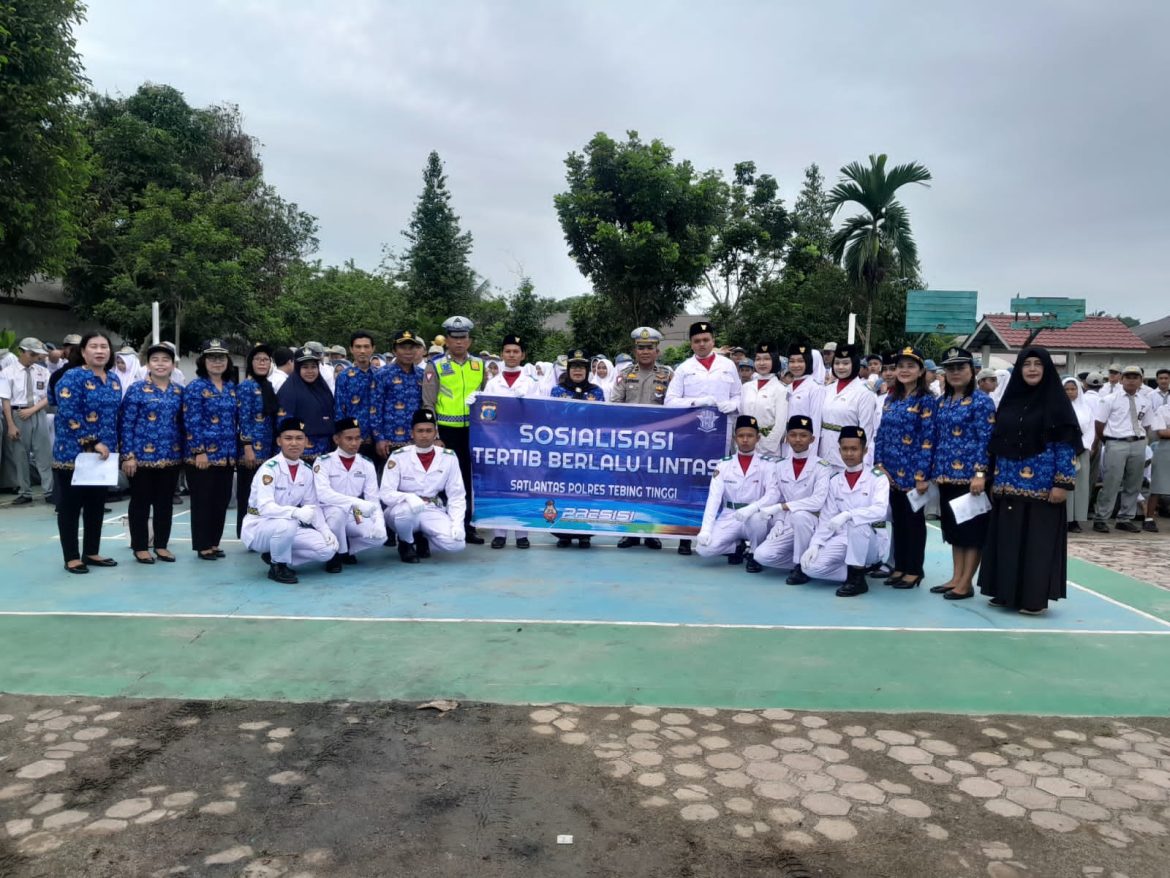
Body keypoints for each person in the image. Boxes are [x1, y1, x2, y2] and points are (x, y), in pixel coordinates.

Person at [980, 347, 1082, 614]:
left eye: (1038, 364)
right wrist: (992, 478)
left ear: (1047, 369)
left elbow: (1066, 446)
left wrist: (1062, 482)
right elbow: (998, 442)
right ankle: (1006, 593)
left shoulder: (1056, 403)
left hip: (1043, 488)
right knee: (1008, 541)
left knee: (1037, 544)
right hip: (1007, 483)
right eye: (1027, 364)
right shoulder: (1010, 401)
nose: (1033, 369)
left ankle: (1033, 599)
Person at [665, 321, 741, 555]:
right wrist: (697, 402)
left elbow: (739, 394)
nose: (701, 344)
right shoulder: (684, 368)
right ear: (691, 343)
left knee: (722, 485)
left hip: (722, 435)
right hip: (692, 438)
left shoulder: (728, 365)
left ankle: (728, 537)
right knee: (691, 484)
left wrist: (733, 404)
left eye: (706, 340)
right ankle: (686, 535)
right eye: (697, 341)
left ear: (713, 341)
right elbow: (670, 401)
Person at [929, 348, 996, 600]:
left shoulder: (981, 402)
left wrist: (980, 473)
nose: (955, 373)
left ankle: (966, 582)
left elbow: (986, 440)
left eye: (961, 368)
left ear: (972, 371)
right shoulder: (942, 402)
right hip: (946, 477)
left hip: (970, 480)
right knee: (955, 532)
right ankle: (956, 577)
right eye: (950, 369)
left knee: (972, 533)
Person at [53, 332, 122, 573]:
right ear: (83, 351)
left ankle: (91, 552)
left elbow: (114, 417)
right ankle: (71, 556)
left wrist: (112, 446)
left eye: (104, 346)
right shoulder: (72, 377)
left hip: (104, 455)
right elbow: (68, 412)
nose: (100, 351)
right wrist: (93, 442)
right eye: (94, 346)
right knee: (71, 506)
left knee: (96, 505)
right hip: (73, 454)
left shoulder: (113, 380)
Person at [241, 417, 340, 584]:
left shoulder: (306, 470)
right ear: (279, 441)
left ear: (306, 442)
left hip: (287, 526)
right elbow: (265, 508)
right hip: (259, 526)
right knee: (289, 522)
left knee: (328, 549)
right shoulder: (269, 469)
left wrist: (325, 530)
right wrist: (295, 512)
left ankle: (275, 555)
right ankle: (278, 567)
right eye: (288, 438)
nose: (294, 443)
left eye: (299, 438)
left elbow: (313, 506)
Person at [799, 426, 890, 597]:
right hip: (842, 538)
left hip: (871, 540)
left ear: (865, 450)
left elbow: (880, 510)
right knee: (809, 568)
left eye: (854, 449)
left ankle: (858, 581)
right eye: (845, 449)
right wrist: (815, 544)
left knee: (857, 524)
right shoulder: (835, 480)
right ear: (839, 450)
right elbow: (827, 517)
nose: (849, 454)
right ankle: (854, 573)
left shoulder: (877, 478)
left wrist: (849, 515)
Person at [874, 346, 935, 589]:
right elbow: (882, 433)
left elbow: (929, 440)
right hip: (890, 472)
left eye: (911, 366)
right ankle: (899, 566)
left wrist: (922, 476)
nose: (904, 370)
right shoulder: (891, 398)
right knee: (897, 521)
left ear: (921, 370)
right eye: (901, 366)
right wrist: (879, 464)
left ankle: (914, 569)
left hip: (913, 474)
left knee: (914, 523)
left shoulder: (926, 400)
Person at [422, 316, 485, 543]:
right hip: (446, 431)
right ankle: (439, 528)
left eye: (463, 338)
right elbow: (428, 403)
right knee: (442, 481)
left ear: (470, 340)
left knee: (468, 480)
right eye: (454, 338)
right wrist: (435, 436)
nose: (459, 342)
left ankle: (467, 526)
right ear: (446, 340)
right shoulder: (435, 365)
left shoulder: (479, 365)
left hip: (473, 431)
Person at [119, 342, 185, 564]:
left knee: (165, 503)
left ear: (173, 364)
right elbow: (126, 424)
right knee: (140, 502)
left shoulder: (179, 392)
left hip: (171, 457)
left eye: (165, 360)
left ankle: (161, 545)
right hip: (141, 459)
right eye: (155, 360)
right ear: (148, 363)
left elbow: (183, 425)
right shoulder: (136, 390)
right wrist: (128, 455)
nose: (160, 364)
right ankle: (140, 546)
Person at [611, 327, 673, 550]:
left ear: (657, 350)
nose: (645, 351)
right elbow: (615, 404)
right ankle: (628, 532)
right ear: (635, 350)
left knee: (652, 488)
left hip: (657, 444)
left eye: (650, 348)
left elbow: (673, 406)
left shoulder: (667, 375)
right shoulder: (625, 374)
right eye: (641, 348)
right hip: (630, 443)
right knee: (627, 488)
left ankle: (651, 533)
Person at [477, 334, 540, 549]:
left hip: (523, 442)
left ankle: (522, 533)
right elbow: (486, 415)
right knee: (499, 487)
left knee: (522, 486)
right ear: (502, 354)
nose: (511, 355)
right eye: (507, 351)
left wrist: (527, 404)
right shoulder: (493, 383)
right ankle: (499, 533)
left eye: (516, 351)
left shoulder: (532, 383)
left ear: (523, 355)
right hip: (499, 442)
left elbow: (540, 414)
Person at [380, 409, 467, 563]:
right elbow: (385, 493)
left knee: (456, 544)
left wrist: (457, 524)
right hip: (402, 509)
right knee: (405, 513)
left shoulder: (448, 457)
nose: (424, 435)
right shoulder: (398, 456)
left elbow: (457, 495)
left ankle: (422, 536)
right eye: (420, 431)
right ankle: (406, 543)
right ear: (412, 433)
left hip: (432, 507)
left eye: (429, 430)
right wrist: (408, 497)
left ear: (435, 433)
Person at [753, 415, 832, 581]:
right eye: (793, 435)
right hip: (789, 523)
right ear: (787, 437)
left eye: (803, 435)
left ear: (812, 439)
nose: (798, 440)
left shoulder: (822, 466)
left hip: (812, 523)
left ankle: (799, 567)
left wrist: (782, 508)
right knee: (761, 556)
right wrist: (780, 521)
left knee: (800, 516)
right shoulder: (780, 466)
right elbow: (779, 497)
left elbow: (817, 501)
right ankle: (807, 560)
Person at [695, 415, 777, 569]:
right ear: (734, 438)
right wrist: (705, 529)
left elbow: (773, 494)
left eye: (750, 436)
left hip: (754, 516)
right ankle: (736, 548)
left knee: (758, 519)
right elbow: (714, 499)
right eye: (741, 436)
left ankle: (754, 553)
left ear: (758, 438)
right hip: (729, 514)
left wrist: (752, 508)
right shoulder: (723, 465)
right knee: (703, 549)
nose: (745, 440)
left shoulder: (768, 464)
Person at [183, 339, 238, 562]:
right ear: (203, 361)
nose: (217, 362)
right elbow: (191, 421)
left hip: (226, 455)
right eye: (212, 358)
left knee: (221, 500)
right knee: (202, 501)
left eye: (221, 358)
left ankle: (214, 542)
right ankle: (202, 544)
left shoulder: (231, 387)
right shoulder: (196, 387)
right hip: (203, 456)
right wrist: (199, 451)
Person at [313, 417, 386, 570]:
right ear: (336, 439)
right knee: (337, 514)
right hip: (329, 512)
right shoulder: (323, 461)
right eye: (349, 439)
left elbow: (373, 499)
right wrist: (356, 502)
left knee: (379, 538)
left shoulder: (366, 463)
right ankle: (334, 555)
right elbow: (323, 494)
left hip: (355, 513)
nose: (354, 443)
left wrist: (379, 522)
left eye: (357, 438)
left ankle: (345, 549)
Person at [549, 349, 605, 547]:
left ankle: (584, 533)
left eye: (582, 367)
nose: (578, 371)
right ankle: (563, 533)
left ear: (587, 370)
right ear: (568, 369)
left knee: (586, 490)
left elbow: (603, 420)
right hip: (564, 451)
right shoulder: (557, 390)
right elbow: (552, 418)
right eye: (574, 367)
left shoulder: (596, 391)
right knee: (563, 489)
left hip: (588, 452)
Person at [1092, 364, 1155, 533]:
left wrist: (1139, 440)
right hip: (1116, 442)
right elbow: (1099, 424)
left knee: (1134, 483)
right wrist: (1109, 441)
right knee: (1111, 482)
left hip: (1138, 442)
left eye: (1135, 377)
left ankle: (1125, 518)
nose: (1131, 381)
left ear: (1141, 380)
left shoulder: (1145, 401)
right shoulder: (1110, 399)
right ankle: (1101, 518)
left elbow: (1147, 425)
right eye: (1128, 377)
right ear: (1121, 379)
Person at [1, 338, 54, 505]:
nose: (34, 358)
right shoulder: (7, 373)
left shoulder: (42, 371)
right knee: (20, 455)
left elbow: (49, 397)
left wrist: (33, 410)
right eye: (32, 354)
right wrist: (10, 425)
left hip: (37, 412)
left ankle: (49, 491)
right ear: (21, 352)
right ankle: (25, 491)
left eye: (37, 355)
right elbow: (6, 401)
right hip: (17, 414)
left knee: (43, 454)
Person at [236, 344, 280, 537]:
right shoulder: (246, 386)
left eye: (266, 360)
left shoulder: (267, 385)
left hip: (268, 449)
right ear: (250, 363)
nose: (262, 363)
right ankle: (246, 532)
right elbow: (243, 418)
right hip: (251, 450)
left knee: (264, 493)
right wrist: (247, 447)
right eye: (258, 359)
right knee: (247, 493)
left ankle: (261, 532)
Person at [819, 343, 878, 471]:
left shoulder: (864, 393)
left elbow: (866, 430)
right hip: (824, 453)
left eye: (846, 363)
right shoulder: (827, 390)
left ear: (855, 364)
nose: (840, 367)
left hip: (848, 457)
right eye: (837, 363)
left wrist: (860, 458)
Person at [375, 329, 427, 462]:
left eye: (412, 348)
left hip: (415, 441)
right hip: (389, 442)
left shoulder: (422, 375)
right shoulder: (382, 374)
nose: (408, 352)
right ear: (394, 350)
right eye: (403, 348)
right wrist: (379, 438)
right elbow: (375, 409)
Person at [277, 348, 335, 461]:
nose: (310, 371)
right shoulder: (288, 391)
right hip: (300, 454)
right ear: (298, 368)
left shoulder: (323, 389)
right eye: (305, 367)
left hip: (325, 453)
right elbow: (283, 424)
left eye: (313, 367)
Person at [334, 331, 382, 466]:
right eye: (358, 347)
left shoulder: (380, 375)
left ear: (373, 349)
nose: (362, 351)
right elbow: (339, 410)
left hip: (377, 440)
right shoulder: (344, 377)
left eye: (366, 347)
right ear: (351, 349)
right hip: (352, 442)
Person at [739, 342, 788, 457]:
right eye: (758, 359)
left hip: (769, 448)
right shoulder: (746, 387)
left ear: (774, 361)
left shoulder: (781, 389)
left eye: (766, 359)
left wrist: (767, 445)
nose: (761, 363)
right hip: (746, 443)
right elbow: (741, 416)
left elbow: (780, 423)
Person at [1061, 376, 1096, 533]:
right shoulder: (1057, 408)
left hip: (1081, 450)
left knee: (1080, 486)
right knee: (1064, 484)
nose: (1070, 392)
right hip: (1062, 451)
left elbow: (1090, 429)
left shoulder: (1086, 408)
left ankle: (1075, 520)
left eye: (1073, 389)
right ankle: (1064, 518)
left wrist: (1083, 446)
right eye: (1066, 389)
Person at [785, 343, 825, 452]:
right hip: (788, 441)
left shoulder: (815, 388)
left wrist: (810, 454)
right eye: (792, 361)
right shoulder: (788, 387)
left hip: (803, 443)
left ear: (808, 363)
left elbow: (815, 424)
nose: (796, 365)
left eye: (800, 361)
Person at [1145, 404, 1170, 531]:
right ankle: (1149, 519)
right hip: (1166, 449)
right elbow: (1162, 432)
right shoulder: (1163, 409)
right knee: (1157, 485)